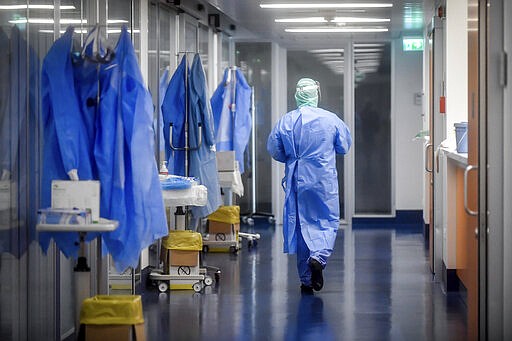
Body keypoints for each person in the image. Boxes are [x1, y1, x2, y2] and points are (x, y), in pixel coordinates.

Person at [267, 78, 352, 294]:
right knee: (326, 220)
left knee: (301, 224)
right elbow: (344, 147)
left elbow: (275, 150)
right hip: (323, 180)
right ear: (316, 95)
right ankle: (319, 256)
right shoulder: (331, 119)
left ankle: (306, 280)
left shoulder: (286, 121)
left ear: (296, 95)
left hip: (297, 180)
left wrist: (295, 157)